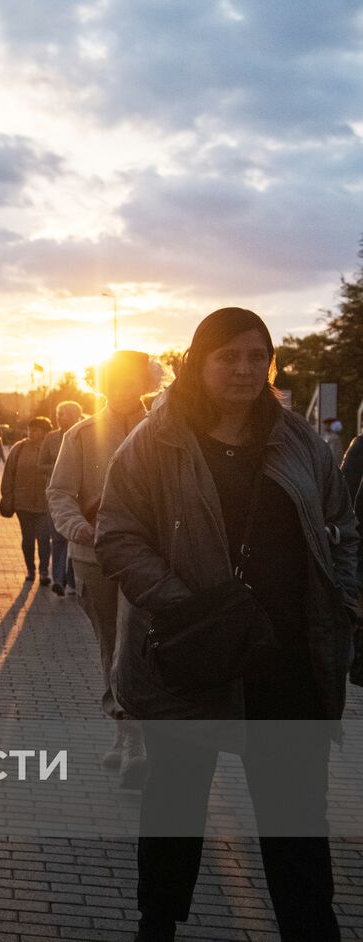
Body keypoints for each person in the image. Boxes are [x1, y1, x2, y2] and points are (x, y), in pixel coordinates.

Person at [95, 307, 358, 942]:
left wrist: (344, 597)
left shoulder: (298, 440)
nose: (244, 369)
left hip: (287, 658)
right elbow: (119, 535)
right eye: (228, 357)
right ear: (197, 363)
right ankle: (156, 923)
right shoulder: (155, 441)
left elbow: (345, 528)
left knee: (296, 815)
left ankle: (310, 927)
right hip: (192, 658)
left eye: (257, 357)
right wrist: (184, 606)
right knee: (176, 805)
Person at [46, 351, 162, 786]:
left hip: (154, 558)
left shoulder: (166, 429)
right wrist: (76, 527)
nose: (122, 386)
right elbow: (60, 492)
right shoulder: (80, 434)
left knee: (143, 648)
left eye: (130, 378)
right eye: (113, 378)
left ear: (146, 380)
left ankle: (141, 740)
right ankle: (126, 736)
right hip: (94, 557)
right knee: (111, 645)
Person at [0, 417, 54, 584]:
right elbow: (9, 474)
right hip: (23, 503)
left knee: (44, 538)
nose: (31, 432)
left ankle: (44, 571)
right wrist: (7, 496)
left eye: (36, 430)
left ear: (45, 432)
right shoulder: (19, 448)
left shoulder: (52, 449)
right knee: (28, 538)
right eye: (30, 429)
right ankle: (31, 570)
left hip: (45, 504)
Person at [40, 400, 84, 596]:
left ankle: (72, 581)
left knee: (74, 537)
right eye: (58, 413)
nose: (59, 417)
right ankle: (58, 579)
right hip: (56, 494)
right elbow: (41, 464)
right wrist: (60, 470)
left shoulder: (84, 435)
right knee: (58, 538)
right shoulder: (50, 438)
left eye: (63, 413)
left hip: (80, 496)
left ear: (75, 415)